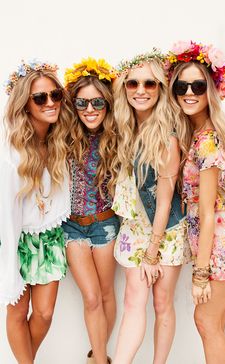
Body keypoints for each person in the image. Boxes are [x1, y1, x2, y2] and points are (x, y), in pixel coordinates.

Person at [112, 49, 191, 364]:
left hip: (165, 232)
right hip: (133, 229)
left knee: (162, 303)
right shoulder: (125, 128)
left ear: (160, 89)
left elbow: (163, 201)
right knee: (133, 301)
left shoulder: (166, 138)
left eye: (150, 84)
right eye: (133, 84)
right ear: (125, 88)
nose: (141, 91)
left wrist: (152, 252)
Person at [166, 40, 225, 364]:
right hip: (218, 244)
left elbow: (208, 213)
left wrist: (200, 273)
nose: (189, 92)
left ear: (210, 90)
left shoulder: (207, 141)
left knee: (206, 321)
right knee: (215, 322)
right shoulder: (196, 135)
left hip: (221, 246)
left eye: (197, 85)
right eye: (182, 85)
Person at [0, 59, 74, 363]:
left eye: (55, 95)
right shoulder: (11, 153)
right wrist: (9, 265)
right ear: (25, 105)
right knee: (17, 311)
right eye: (40, 98)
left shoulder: (57, 141)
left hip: (50, 238)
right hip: (17, 241)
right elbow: (5, 214)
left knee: (43, 314)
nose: (50, 103)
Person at [62, 57, 120, 364]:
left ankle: (98, 357)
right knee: (91, 297)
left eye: (98, 101)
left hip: (106, 226)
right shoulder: (64, 136)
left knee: (107, 295)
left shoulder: (117, 137)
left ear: (108, 104)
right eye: (82, 102)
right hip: (72, 227)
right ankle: (100, 359)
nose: (90, 109)